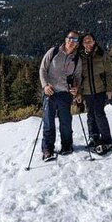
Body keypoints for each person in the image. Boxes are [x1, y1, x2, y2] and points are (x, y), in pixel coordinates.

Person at [39, 31, 83, 160]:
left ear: (77, 43)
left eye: (74, 40)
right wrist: (45, 85)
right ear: (65, 39)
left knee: (66, 122)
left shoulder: (76, 59)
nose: (71, 42)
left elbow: (77, 77)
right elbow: (42, 69)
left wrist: (76, 88)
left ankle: (67, 145)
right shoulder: (53, 52)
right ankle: (47, 149)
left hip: (65, 94)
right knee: (48, 122)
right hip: (50, 92)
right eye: (70, 39)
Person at [79, 33, 112, 149]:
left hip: (100, 90)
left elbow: (109, 73)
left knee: (99, 113)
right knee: (90, 114)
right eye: (85, 42)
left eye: (90, 41)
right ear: (82, 44)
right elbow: (77, 76)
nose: (88, 44)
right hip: (87, 91)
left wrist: (109, 89)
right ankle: (93, 137)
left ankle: (106, 139)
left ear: (94, 42)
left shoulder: (101, 55)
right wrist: (78, 93)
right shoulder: (79, 57)